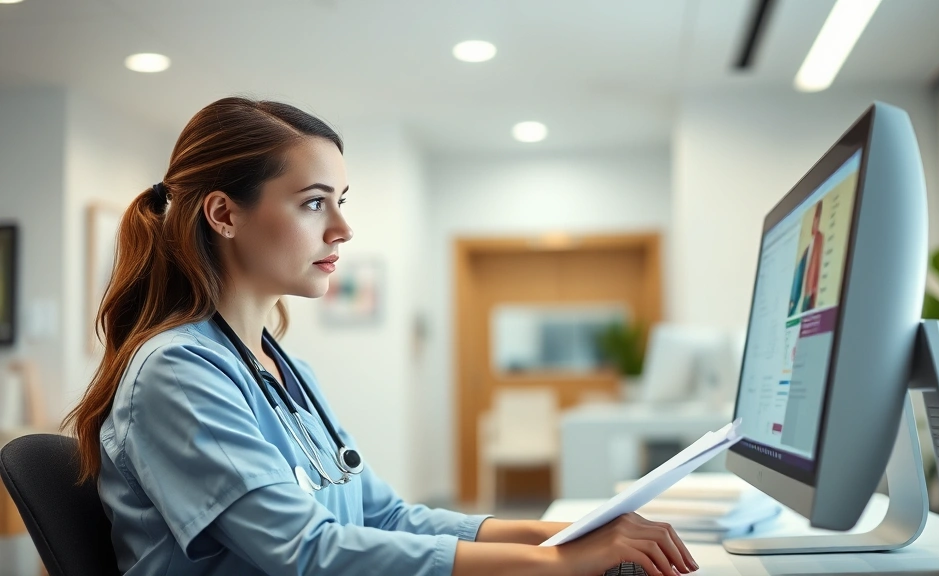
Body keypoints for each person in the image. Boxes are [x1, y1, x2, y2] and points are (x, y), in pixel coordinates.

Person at [63, 97, 698, 576]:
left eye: (341, 200)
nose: (342, 227)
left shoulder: (284, 370)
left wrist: (552, 534)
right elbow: (304, 552)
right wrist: (557, 565)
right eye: (314, 202)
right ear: (224, 213)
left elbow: (384, 516)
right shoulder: (178, 370)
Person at [801, 201, 824, 313]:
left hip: (810, 293)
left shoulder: (819, 239)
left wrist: (813, 290)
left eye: (816, 219)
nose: (814, 223)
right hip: (805, 293)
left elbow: (817, 264)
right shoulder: (808, 245)